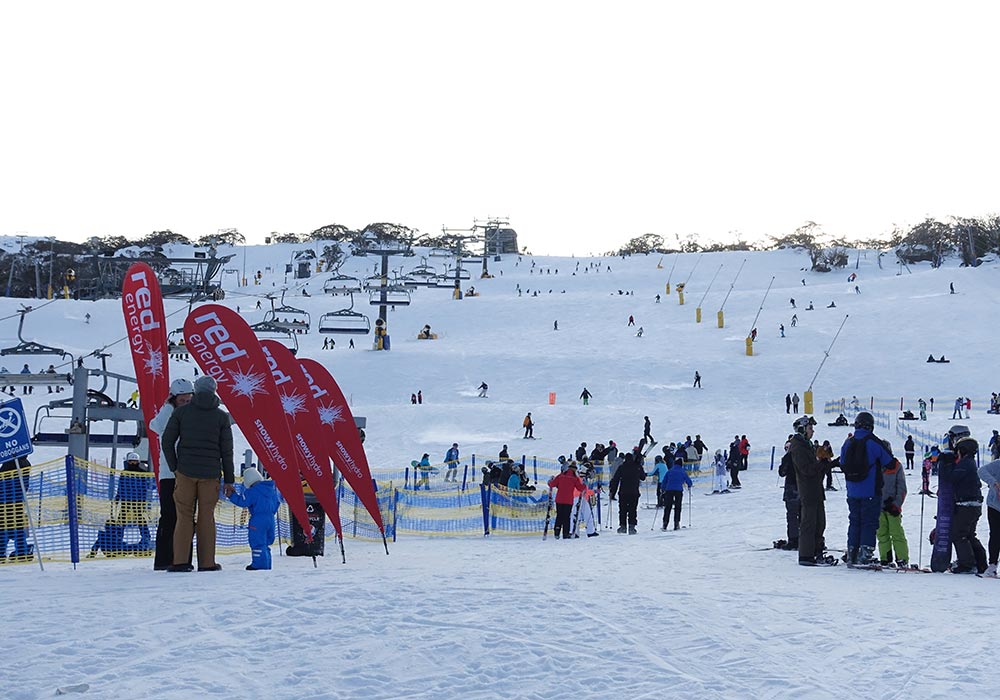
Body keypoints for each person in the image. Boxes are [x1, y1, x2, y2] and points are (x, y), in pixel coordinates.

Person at [161, 375, 235, 572]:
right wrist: (229, 480)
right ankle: (207, 563)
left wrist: (175, 468)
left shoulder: (181, 412)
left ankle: (180, 562)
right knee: (206, 516)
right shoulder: (221, 417)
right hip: (211, 474)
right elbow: (227, 451)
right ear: (214, 391)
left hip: (185, 472)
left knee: (184, 516)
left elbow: (167, 441)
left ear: (196, 390)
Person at [149, 378, 195, 570]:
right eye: (182, 400)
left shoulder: (193, 414)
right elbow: (155, 426)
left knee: (186, 517)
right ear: (173, 399)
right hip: (169, 474)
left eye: (189, 400)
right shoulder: (168, 413)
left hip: (188, 473)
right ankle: (163, 559)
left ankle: (183, 558)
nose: (186, 403)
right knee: (169, 516)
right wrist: (168, 407)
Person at [840, 412, 893, 566]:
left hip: (852, 490)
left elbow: (842, 462)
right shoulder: (873, 441)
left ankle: (852, 553)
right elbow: (889, 461)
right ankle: (865, 554)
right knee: (869, 522)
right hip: (870, 490)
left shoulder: (848, 442)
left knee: (854, 521)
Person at [788, 416, 836, 566]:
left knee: (820, 522)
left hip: (816, 490)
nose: (812, 431)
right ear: (802, 429)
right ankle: (806, 555)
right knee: (809, 523)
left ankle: (817, 551)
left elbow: (816, 469)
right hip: (808, 490)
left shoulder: (807, 445)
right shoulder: (798, 446)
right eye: (810, 428)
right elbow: (807, 470)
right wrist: (822, 462)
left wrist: (831, 463)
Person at [941, 431, 987, 574]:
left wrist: (946, 463)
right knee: (969, 534)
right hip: (973, 504)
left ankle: (967, 564)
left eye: (958, 450)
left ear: (963, 451)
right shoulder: (969, 463)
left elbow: (950, 478)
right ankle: (980, 562)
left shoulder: (965, 464)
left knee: (958, 534)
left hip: (966, 505)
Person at [228, 466, 279, 570]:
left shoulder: (252, 491)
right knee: (266, 544)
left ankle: (258, 565)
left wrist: (232, 496)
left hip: (258, 520)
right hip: (270, 519)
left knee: (257, 542)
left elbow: (243, 502)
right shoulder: (271, 490)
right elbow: (277, 503)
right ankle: (267, 564)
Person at [876, 446, 909, 567]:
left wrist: (896, 504)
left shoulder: (896, 466)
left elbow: (902, 488)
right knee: (882, 534)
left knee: (897, 533)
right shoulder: (874, 465)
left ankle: (902, 558)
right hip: (878, 506)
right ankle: (885, 558)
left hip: (892, 507)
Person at [0, 457, 32, 562]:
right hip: (17, 500)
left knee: (5, 525)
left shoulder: (9, 464)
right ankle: (22, 551)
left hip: (6, 500)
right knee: (15, 525)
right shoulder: (25, 463)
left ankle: (17, 551)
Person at [609, 452, 646, 534]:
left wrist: (612, 491)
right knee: (633, 509)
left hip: (623, 492)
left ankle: (623, 527)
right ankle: (632, 527)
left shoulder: (622, 467)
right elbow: (643, 477)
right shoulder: (637, 467)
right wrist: (639, 467)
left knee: (623, 510)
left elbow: (615, 480)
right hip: (634, 492)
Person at [547, 462, 584, 540]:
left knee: (559, 516)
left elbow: (552, 484)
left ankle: (557, 532)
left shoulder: (561, 476)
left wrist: (550, 481)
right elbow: (580, 488)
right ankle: (565, 533)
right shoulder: (575, 478)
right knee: (566, 517)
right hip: (568, 500)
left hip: (559, 499)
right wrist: (584, 484)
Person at [977, 458, 1000, 577]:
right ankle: (992, 566)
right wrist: (994, 483)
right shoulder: (998, 464)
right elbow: (981, 471)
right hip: (995, 505)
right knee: (995, 535)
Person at [777, 436, 799, 550]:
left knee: (792, 515)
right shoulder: (802, 455)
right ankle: (803, 539)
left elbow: (782, 472)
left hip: (791, 489)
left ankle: (793, 540)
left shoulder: (788, 457)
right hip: (802, 488)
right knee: (802, 515)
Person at [661, 458, 692, 530]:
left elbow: (664, 481)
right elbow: (689, 481)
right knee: (678, 507)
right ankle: (676, 523)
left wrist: (663, 489)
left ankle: (665, 523)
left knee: (668, 507)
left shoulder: (669, 471)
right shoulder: (682, 471)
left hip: (669, 490)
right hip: (678, 490)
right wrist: (689, 485)